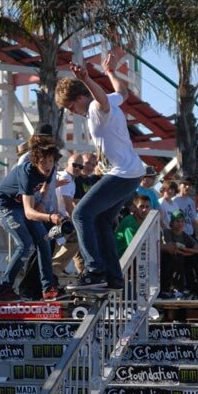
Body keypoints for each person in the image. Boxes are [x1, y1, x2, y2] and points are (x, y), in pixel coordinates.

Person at [55, 48, 145, 290]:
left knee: (81, 214)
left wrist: (86, 79)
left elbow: (102, 100)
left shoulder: (95, 107)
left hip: (122, 174)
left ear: (79, 97)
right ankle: (114, 276)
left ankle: (94, 270)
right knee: (102, 219)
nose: (73, 112)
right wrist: (110, 71)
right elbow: (121, 92)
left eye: (71, 106)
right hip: (132, 174)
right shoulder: (109, 104)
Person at [0, 137, 63, 301]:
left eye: (51, 161)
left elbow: (46, 185)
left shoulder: (50, 168)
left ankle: (47, 288)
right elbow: (29, 213)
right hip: (7, 206)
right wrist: (49, 217)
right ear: (35, 162)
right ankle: (3, 289)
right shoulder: (27, 172)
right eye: (43, 162)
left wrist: (41, 200)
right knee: (25, 244)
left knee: (45, 240)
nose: (47, 166)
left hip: (23, 205)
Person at [160, 209, 198, 300]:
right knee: (178, 256)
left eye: (182, 221)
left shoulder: (185, 235)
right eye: (177, 221)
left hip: (183, 260)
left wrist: (187, 249)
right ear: (171, 223)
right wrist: (188, 252)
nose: (180, 224)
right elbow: (172, 249)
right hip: (168, 262)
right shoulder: (167, 232)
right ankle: (175, 289)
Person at [51, 153, 83, 281]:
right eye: (75, 165)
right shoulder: (66, 178)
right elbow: (68, 203)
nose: (77, 168)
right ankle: (55, 268)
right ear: (67, 164)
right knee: (78, 239)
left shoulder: (66, 178)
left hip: (56, 218)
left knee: (60, 245)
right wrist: (76, 222)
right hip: (60, 220)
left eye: (80, 167)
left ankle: (56, 268)